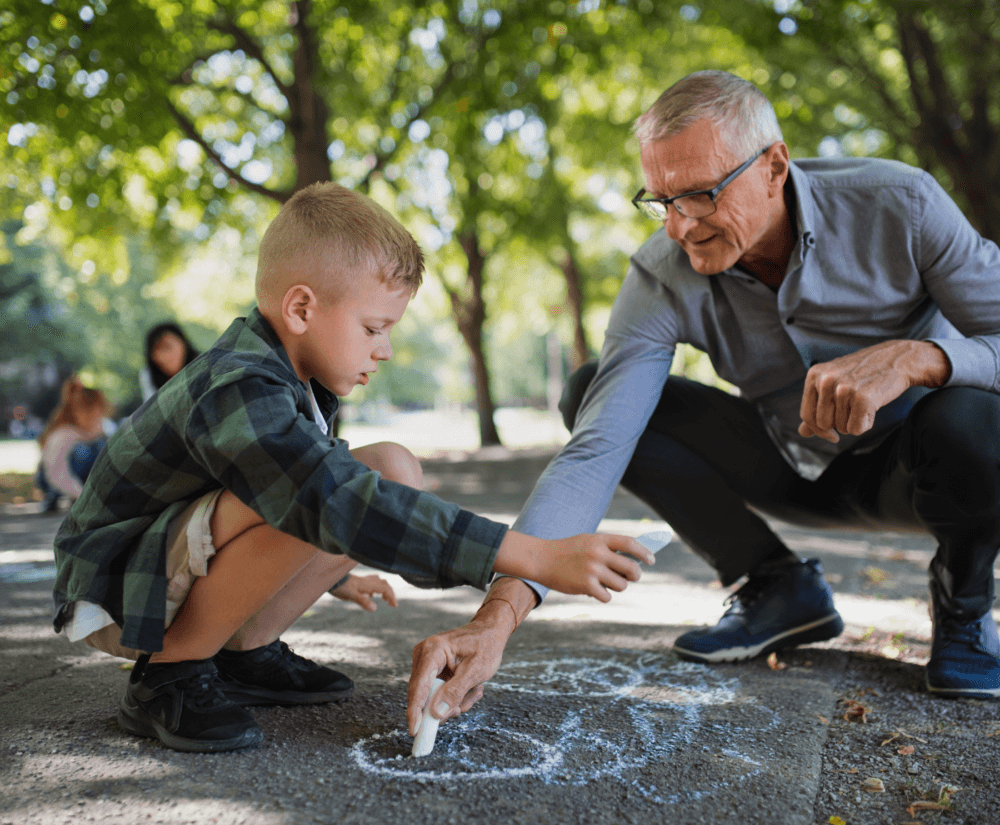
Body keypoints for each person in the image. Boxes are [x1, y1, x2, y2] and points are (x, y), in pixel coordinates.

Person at [407, 69, 1000, 734]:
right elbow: (599, 445)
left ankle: (964, 605)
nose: (680, 226)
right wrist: (497, 617)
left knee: (977, 414)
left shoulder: (902, 204)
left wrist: (925, 357)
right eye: (660, 200)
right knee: (587, 391)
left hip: (926, 465)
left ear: (775, 165)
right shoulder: (661, 274)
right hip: (792, 463)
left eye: (700, 195)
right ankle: (776, 585)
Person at [52, 181, 653, 754]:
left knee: (389, 466)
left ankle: (242, 652)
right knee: (326, 490)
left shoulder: (295, 380)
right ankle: (169, 674)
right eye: (373, 328)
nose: (385, 349)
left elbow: (297, 500)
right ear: (301, 308)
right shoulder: (238, 385)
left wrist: (335, 575)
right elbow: (322, 497)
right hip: (118, 585)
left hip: (165, 562)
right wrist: (532, 556)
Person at [34, 377, 111, 511]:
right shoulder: (64, 434)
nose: (98, 419)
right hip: (51, 478)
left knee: (102, 446)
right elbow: (55, 472)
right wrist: (83, 495)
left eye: (100, 414)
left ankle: (79, 493)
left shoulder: (98, 434)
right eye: (93, 414)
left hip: (76, 480)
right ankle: (53, 496)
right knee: (83, 451)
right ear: (78, 412)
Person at [140, 322, 200, 401]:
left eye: (167, 347)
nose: (163, 356)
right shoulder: (148, 376)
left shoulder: (205, 367)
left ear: (183, 344)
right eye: (157, 350)